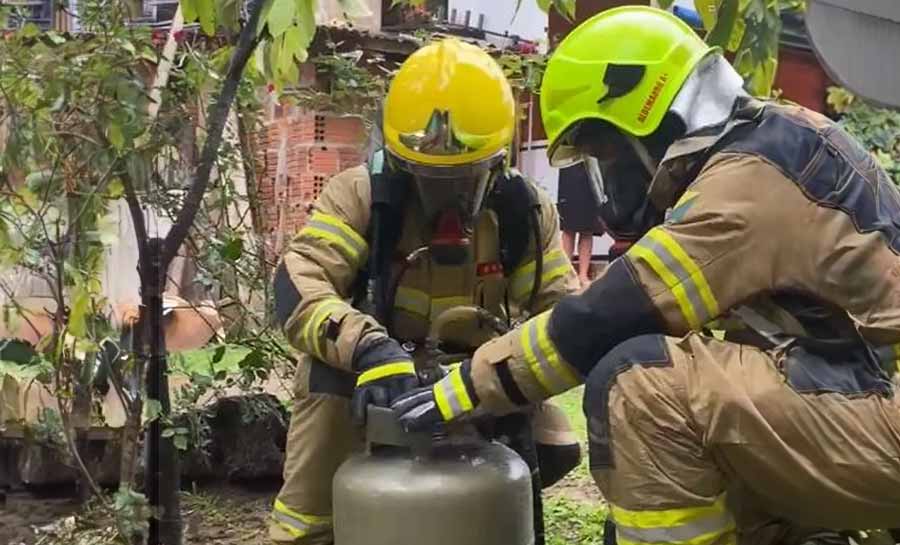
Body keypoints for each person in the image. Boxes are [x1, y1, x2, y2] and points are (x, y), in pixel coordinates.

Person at [392, 7, 900, 545]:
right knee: (715, 404)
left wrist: (463, 389)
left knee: (640, 384)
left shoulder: (747, 184)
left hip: (881, 416)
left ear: (649, 122)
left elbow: (609, 316)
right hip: (869, 396)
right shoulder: (785, 140)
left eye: (604, 154)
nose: (607, 177)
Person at [268, 38, 582, 545]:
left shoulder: (522, 213)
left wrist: (505, 371)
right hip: (373, 371)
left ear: (497, 164)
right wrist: (370, 347)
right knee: (323, 397)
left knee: (555, 446)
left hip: (475, 374)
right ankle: (310, 532)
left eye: (465, 178)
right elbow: (298, 284)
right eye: (428, 178)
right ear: (398, 161)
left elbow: (563, 313)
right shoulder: (363, 198)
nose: (448, 198)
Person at [557, 164, 603, 287]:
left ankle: (583, 275)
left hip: (590, 166)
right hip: (570, 164)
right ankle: (566, 274)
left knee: (588, 228)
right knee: (568, 228)